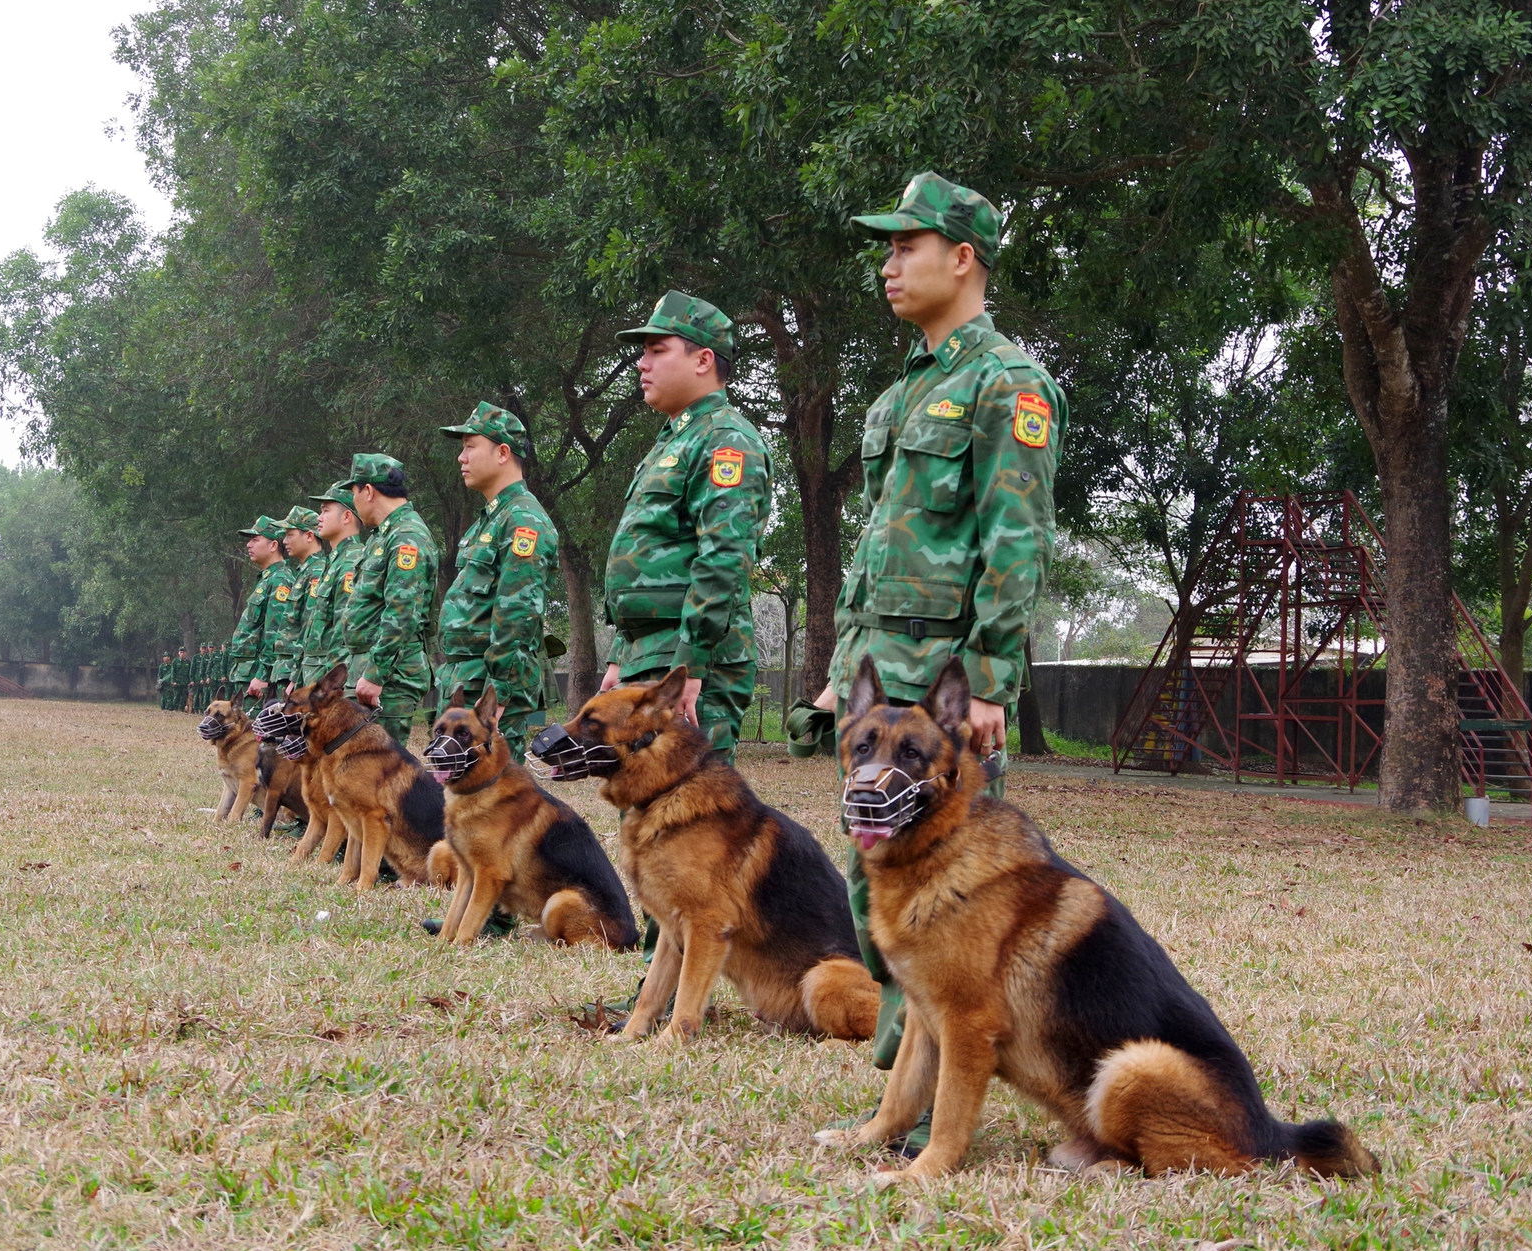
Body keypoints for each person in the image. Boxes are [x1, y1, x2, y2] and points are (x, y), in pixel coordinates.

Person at [811, 171, 1067, 1149]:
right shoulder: (902, 392)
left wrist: (993, 676)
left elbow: (1016, 538)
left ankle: (933, 1101)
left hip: (950, 691)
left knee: (957, 898)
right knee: (868, 877)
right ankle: (899, 1072)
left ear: (961, 257)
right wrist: (843, 660)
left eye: (903, 245)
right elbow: (876, 536)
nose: (887, 263)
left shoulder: (1007, 383)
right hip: (882, 675)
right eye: (884, 248)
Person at [600, 291, 772, 763]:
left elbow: (723, 556)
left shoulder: (724, 439)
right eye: (643, 352)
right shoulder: (673, 441)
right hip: (650, 654)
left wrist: (690, 664)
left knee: (692, 816)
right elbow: (644, 555)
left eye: (657, 350)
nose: (641, 363)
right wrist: (620, 654)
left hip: (690, 658)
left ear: (703, 360)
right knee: (646, 810)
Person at [436, 402, 560, 759]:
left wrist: (499, 690)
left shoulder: (522, 519)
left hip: (489, 684)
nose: (461, 457)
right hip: (466, 678)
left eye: (470, 446)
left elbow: (519, 612)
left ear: (503, 452)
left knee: (494, 798)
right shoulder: (490, 519)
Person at [339, 454, 439, 744]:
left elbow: (402, 611)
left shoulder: (406, 536)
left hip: (389, 677)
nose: (354, 503)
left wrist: (375, 673)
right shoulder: (383, 536)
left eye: (354, 493)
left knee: (379, 774)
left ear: (368, 491)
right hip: (368, 668)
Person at [294, 482, 366, 689]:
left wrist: (332, 684)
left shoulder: (352, 561)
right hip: (316, 671)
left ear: (346, 517)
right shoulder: (332, 561)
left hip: (329, 677)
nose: (319, 517)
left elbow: (345, 630)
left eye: (326, 511)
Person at [228, 515, 293, 708]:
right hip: (248, 672)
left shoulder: (280, 579)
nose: (249, 545)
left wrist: (263, 675)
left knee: (253, 734)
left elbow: (276, 633)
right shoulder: (267, 579)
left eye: (255, 539)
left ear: (273, 545)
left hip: (258, 676)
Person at [267, 505, 327, 692]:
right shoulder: (304, 571)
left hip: (298, 672)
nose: (284, 541)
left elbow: (310, 629)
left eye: (290, 534)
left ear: (309, 536)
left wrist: (296, 676)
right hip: (287, 670)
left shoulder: (317, 572)